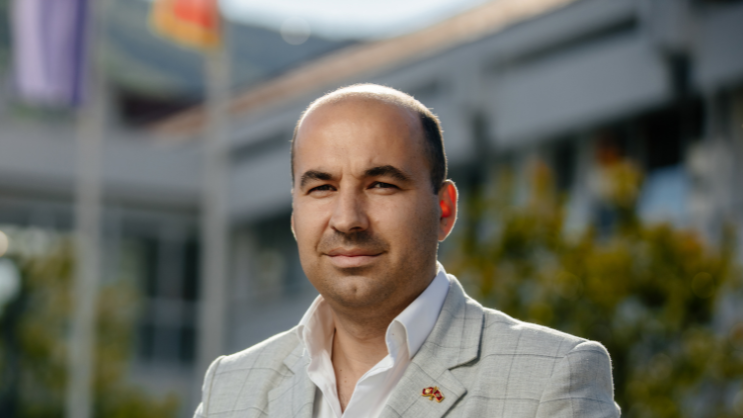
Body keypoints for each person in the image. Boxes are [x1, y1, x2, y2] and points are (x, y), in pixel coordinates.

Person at [194, 84, 621, 418]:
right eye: (322, 187)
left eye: (382, 185)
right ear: (294, 217)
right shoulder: (231, 387)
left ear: (444, 210)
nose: (347, 219)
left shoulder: (551, 377)